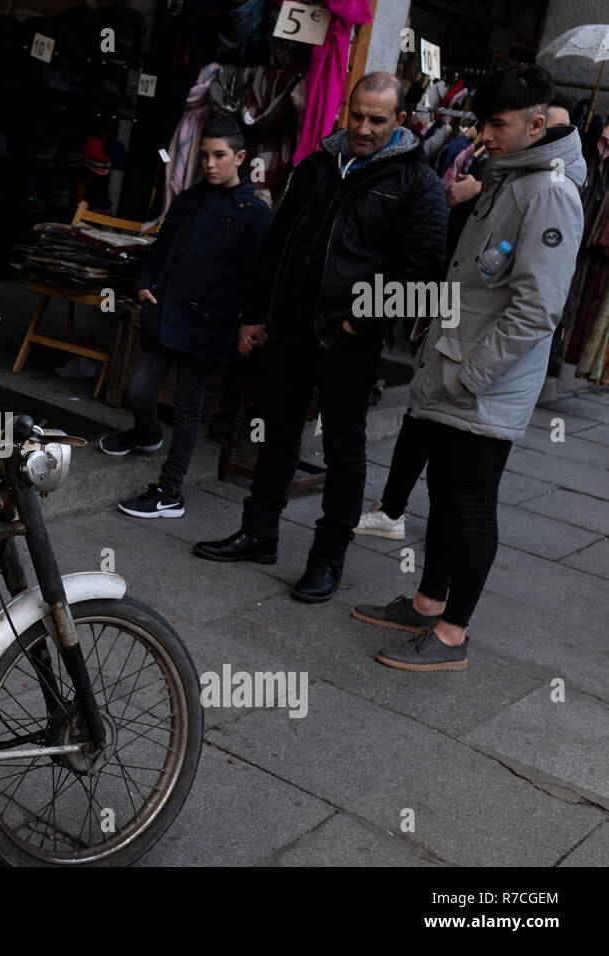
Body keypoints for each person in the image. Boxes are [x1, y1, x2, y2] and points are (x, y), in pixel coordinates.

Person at [353, 65, 585, 671]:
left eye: (497, 124)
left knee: (472, 502)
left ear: (537, 124)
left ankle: (453, 634)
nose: (483, 134)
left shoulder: (551, 191)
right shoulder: (509, 175)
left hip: (485, 384)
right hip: (459, 370)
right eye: (480, 122)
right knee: (445, 492)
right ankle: (429, 601)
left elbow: (538, 308)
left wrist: (472, 374)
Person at [191, 72, 448, 602]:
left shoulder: (415, 182)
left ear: (400, 121)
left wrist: (359, 322)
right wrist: (255, 314)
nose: (364, 126)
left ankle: (327, 559)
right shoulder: (315, 166)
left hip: (349, 341)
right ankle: (259, 532)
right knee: (276, 433)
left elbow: (422, 275)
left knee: (344, 452)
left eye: (377, 119)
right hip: (290, 329)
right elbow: (277, 244)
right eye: (357, 115)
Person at [101, 115, 272, 518]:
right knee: (139, 390)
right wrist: (144, 283)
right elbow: (160, 248)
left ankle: (170, 491)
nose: (211, 164)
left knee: (188, 409)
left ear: (240, 157)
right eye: (205, 156)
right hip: (164, 311)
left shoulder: (254, 212)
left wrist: (252, 321)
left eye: (220, 156)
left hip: (210, 323)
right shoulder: (188, 198)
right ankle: (146, 434)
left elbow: (258, 276)